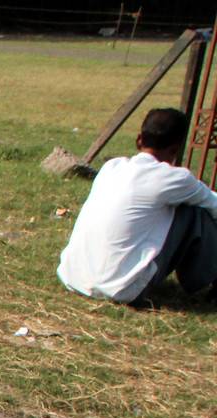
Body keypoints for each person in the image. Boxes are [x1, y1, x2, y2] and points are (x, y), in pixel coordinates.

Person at [58, 108, 217, 306]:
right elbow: (214, 204)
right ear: (175, 149)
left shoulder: (112, 167)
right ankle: (208, 281)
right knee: (196, 211)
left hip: (73, 277)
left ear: (139, 140)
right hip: (121, 289)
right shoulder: (175, 178)